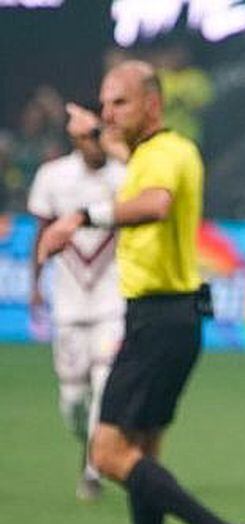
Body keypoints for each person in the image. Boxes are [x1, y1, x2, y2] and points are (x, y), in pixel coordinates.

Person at [36, 61, 241, 524]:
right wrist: (93, 131)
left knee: (107, 453)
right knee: (142, 454)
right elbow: (116, 147)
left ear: (152, 104)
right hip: (175, 318)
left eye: (119, 103)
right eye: (103, 104)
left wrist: (79, 218)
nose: (108, 113)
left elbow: (155, 203)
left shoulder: (160, 155)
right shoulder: (163, 151)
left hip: (157, 320)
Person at [27, 103, 127, 501]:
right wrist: (35, 284)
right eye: (85, 136)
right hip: (68, 303)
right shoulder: (53, 177)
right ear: (73, 138)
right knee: (72, 401)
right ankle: (86, 442)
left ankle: (92, 468)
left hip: (112, 301)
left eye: (97, 134)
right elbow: (41, 232)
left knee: (103, 384)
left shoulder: (124, 175)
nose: (93, 143)